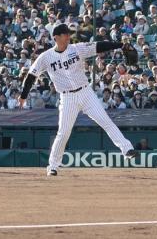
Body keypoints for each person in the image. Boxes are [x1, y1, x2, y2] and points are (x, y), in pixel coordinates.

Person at [20, 22, 138, 176]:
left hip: (85, 93)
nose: (68, 36)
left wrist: (120, 44)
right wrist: (23, 95)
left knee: (105, 121)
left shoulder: (76, 49)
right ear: (56, 37)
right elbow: (31, 76)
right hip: (67, 97)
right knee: (63, 132)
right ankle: (53, 166)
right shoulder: (45, 57)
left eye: (69, 33)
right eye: (65, 34)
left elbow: (99, 46)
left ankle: (127, 149)